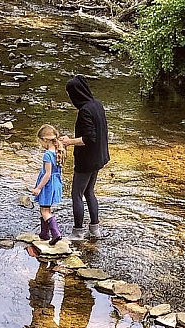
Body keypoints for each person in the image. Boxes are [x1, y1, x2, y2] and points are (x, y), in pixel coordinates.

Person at [60, 75, 110, 239]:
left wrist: (68, 142)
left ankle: (77, 232)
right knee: (89, 192)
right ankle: (94, 229)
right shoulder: (97, 104)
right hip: (99, 157)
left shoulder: (84, 111)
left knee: (76, 194)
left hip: (87, 160)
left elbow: (89, 138)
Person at [31, 124, 64, 244]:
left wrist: (38, 188)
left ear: (45, 139)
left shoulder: (47, 155)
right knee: (45, 208)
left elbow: (47, 173)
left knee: (45, 211)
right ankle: (44, 234)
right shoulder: (59, 151)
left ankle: (56, 234)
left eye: (40, 142)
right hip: (56, 183)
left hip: (48, 185)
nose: (41, 145)